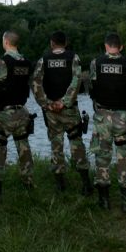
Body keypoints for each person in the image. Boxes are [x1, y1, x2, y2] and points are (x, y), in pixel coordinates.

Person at [31, 30, 93, 196]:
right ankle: (86, 185)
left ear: (52, 43)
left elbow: (36, 83)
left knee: (56, 145)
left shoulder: (43, 59)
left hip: (51, 110)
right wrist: (64, 102)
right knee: (77, 143)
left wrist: (47, 104)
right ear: (65, 43)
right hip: (69, 109)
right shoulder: (74, 57)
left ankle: (60, 185)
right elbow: (76, 80)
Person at [88, 32, 126, 212]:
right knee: (124, 156)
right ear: (121, 46)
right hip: (123, 117)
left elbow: (92, 86)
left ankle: (104, 201)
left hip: (102, 115)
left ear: (105, 46)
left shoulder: (96, 63)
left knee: (102, 157)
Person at [0, 30, 35, 201]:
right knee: (24, 147)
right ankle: (28, 182)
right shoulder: (26, 63)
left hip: (3, 113)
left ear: (5, 41)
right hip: (22, 111)